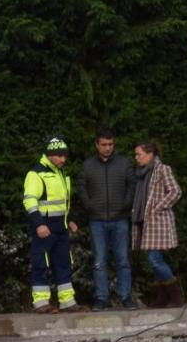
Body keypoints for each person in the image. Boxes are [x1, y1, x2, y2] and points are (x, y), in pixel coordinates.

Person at [23, 136, 86, 313]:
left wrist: (71, 219)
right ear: (50, 155)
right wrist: (39, 224)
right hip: (44, 227)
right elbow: (29, 201)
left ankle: (67, 301)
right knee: (40, 263)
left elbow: (63, 201)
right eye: (59, 156)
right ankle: (41, 303)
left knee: (63, 263)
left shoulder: (62, 173)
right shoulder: (35, 174)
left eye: (64, 156)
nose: (63, 159)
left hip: (61, 226)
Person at [80, 127, 137, 309]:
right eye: (104, 144)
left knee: (123, 260)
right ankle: (101, 298)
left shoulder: (123, 163)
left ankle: (126, 296)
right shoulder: (88, 165)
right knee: (99, 261)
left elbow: (131, 185)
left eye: (110, 144)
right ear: (96, 145)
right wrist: (89, 206)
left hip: (120, 218)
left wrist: (126, 204)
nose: (107, 148)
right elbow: (82, 188)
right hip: (97, 220)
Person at [131, 141, 185, 308]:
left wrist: (158, 206)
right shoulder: (141, 173)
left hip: (157, 222)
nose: (136, 158)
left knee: (154, 260)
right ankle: (163, 297)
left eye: (138, 154)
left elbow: (176, 191)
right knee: (154, 259)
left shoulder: (162, 169)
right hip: (144, 222)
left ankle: (176, 295)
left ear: (150, 154)